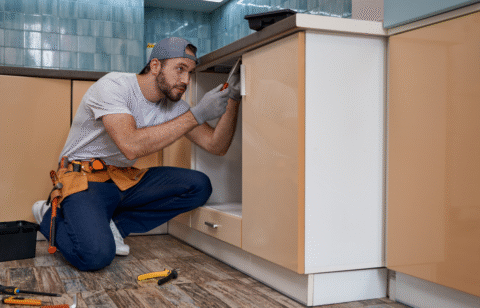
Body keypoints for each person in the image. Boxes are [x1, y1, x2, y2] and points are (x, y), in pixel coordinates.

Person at [32, 37, 241, 271]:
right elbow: (130, 145)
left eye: (190, 72)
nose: (185, 81)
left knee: (199, 185)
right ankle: (48, 215)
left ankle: (116, 226)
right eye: (180, 69)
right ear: (155, 66)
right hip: (84, 180)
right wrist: (197, 115)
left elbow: (216, 145)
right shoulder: (114, 86)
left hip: (123, 180)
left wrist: (233, 97)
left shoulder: (175, 107)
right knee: (96, 256)